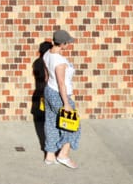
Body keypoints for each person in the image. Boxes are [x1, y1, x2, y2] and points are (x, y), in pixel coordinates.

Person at [42, 28, 80, 169]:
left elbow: (46, 77)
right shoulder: (60, 62)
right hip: (59, 94)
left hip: (49, 91)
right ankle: (63, 155)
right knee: (73, 125)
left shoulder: (47, 55)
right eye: (67, 43)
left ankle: (50, 156)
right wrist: (66, 103)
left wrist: (46, 93)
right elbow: (61, 84)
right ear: (62, 44)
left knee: (51, 123)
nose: (68, 45)